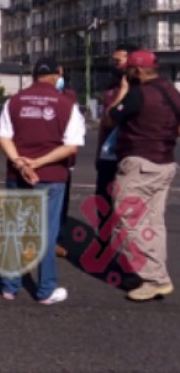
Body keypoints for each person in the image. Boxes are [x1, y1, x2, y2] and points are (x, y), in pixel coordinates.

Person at [0, 57, 85, 304]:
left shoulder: (14, 101)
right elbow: (71, 146)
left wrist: (20, 162)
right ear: (58, 74)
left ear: (34, 75)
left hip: (17, 175)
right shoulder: (66, 104)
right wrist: (38, 163)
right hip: (51, 177)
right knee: (46, 233)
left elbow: (3, 137)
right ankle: (45, 290)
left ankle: (9, 287)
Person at [105, 50, 180, 301]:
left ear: (136, 71)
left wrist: (124, 91)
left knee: (127, 220)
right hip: (165, 162)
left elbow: (111, 117)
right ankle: (153, 274)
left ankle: (155, 277)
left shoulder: (138, 94)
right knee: (153, 223)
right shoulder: (170, 90)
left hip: (140, 162)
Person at [95, 44, 135, 209]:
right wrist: (98, 152)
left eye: (119, 60)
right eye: (114, 60)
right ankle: (103, 235)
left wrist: (124, 91)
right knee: (103, 203)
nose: (115, 64)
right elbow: (105, 122)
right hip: (107, 155)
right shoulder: (112, 87)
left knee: (124, 206)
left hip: (127, 155)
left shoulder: (139, 89)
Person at [55, 66, 78, 258]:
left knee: (61, 203)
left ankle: (57, 239)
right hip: (39, 159)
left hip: (64, 160)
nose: (59, 78)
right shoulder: (28, 97)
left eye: (62, 74)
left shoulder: (70, 97)